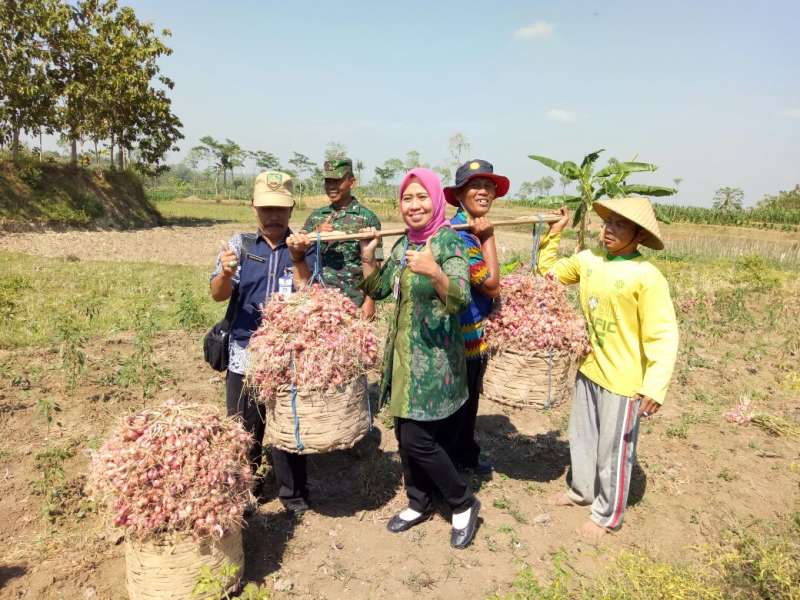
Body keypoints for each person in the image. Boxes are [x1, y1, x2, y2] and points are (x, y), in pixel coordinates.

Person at [538, 197, 679, 538]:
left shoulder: (647, 277)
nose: (609, 230)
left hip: (624, 379)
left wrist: (655, 385)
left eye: (620, 224)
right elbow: (549, 276)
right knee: (582, 439)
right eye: (608, 222)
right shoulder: (589, 260)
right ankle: (581, 491)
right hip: (589, 368)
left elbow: (663, 334)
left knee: (613, 450)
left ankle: (607, 515)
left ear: (639, 235)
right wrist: (554, 234)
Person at [359, 167, 481, 549]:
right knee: (404, 433)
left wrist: (435, 273)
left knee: (418, 439)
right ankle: (419, 501)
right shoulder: (404, 245)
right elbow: (380, 289)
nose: (414, 205)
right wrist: (368, 257)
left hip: (435, 361)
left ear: (436, 200)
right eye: (407, 198)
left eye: (421, 197)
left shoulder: (447, 243)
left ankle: (463, 502)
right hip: (403, 359)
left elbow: (461, 297)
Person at [210, 170, 316, 515]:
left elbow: (310, 296)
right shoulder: (239, 245)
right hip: (245, 350)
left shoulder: (303, 247)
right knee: (244, 426)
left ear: (291, 209)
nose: (273, 216)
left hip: (288, 354)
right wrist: (226, 273)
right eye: (266, 208)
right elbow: (217, 294)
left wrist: (298, 258)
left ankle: (293, 494)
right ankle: (245, 488)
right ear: (254, 207)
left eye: (280, 209)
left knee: (288, 424)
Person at [443, 159, 509, 474]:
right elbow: (491, 285)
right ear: (459, 195)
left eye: (488, 186)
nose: (483, 192)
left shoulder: (471, 227)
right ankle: (452, 463)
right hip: (459, 335)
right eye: (474, 186)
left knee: (469, 402)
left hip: (472, 333)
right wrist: (489, 237)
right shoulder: (461, 235)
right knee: (459, 402)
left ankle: (465, 456)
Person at [302, 157, 382, 320]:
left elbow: (377, 263)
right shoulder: (316, 217)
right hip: (319, 303)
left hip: (353, 303)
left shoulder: (367, 218)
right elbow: (297, 252)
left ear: (352, 182)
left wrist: (370, 301)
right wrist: (316, 233)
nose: (331, 186)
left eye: (337, 181)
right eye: (328, 181)